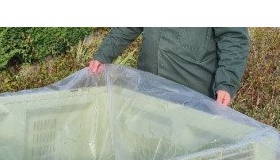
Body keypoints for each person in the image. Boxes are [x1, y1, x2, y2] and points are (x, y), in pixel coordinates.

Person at [88, 28, 249, 106]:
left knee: (187, 152)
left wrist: (226, 84)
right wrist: (104, 54)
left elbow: (233, 38)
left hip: (192, 94)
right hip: (149, 87)